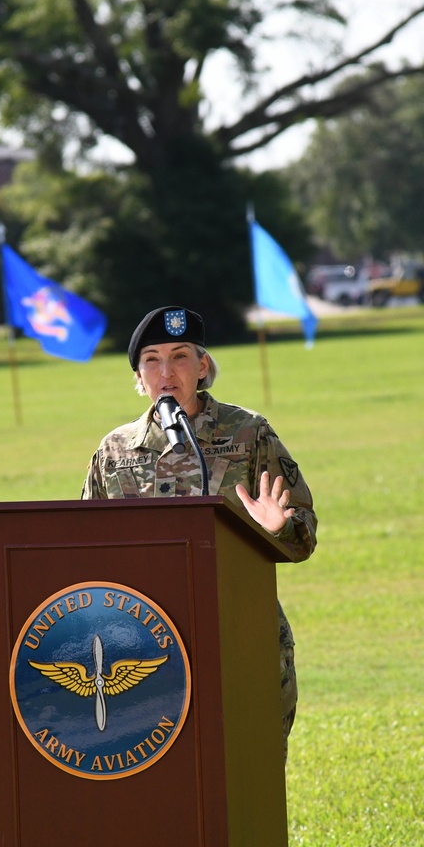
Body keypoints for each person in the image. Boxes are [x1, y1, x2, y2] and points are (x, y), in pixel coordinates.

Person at [81, 305, 317, 761]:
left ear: (204, 366)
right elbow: (87, 553)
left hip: (241, 629)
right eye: (152, 359)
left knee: (252, 766)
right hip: (143, 644)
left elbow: (303, 536)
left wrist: (281, 527)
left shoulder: (248, 434)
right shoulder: (114, 452)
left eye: (181, 356)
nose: (166, 371)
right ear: (138, 374)